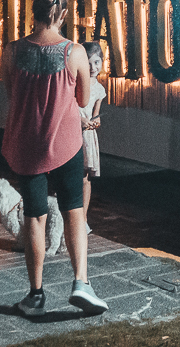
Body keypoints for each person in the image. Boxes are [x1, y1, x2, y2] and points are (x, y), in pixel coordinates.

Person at [0, 0, 107, 318]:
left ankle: (35, 294)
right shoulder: (73, 52)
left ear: (32, 12)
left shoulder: (12, 51)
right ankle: (81, 283)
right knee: (74, 209)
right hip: (66, 144)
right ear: (62, 14)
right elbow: (83, 100)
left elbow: (11, 93)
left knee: (34, 216)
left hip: (26, 145)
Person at [79, 42, 107, 231]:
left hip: (88, 136)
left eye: (96, 62)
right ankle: (69, 215)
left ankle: (82, 219)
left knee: (85, 178)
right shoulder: (75, 83)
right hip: (72, 132)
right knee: (73, 176)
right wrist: (80, 119)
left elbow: (96, 115)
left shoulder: (100, 89)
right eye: (88, 63)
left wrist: (95, 122)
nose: (92, 68)